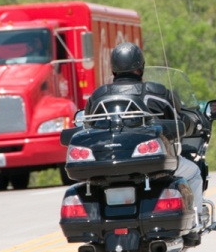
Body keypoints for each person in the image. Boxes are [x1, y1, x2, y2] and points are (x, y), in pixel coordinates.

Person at [83, 42, 204, 245]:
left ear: (113, 68)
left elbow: (88, 127)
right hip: (152, 163)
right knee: (194, 173)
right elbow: (178, 122)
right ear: (141, 66)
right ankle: (194, 226)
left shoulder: (99, 96)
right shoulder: (156, 92)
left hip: (107, 165)